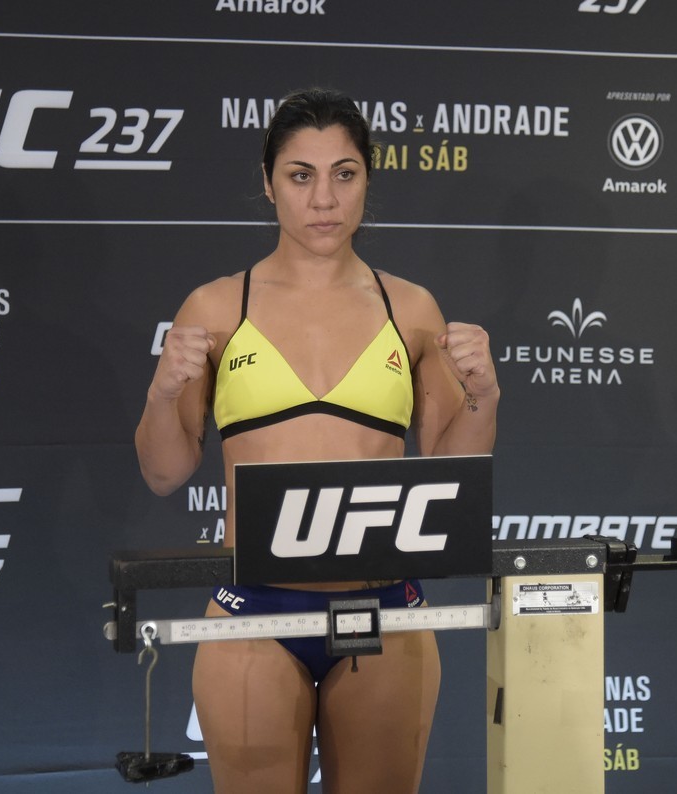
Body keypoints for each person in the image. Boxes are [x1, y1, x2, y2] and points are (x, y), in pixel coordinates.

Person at [135, 87, 499, 793]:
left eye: (344, 174)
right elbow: (163, 473)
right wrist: (161, 393)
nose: (324, 199)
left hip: (384, 608)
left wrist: (484, 394)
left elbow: (454, 470)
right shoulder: (216, 307)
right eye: (301, 175)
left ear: (367, 181)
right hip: (253, 611)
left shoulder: (411, 308)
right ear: (269, 183)